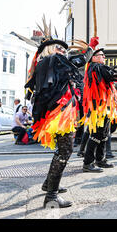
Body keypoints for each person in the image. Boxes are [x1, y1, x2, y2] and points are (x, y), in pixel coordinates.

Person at [25, 24, 96, 208]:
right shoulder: (54, 60)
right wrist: (90, 50)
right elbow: (78, 62)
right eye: (59, 47)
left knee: (61, 150)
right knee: (64, 151)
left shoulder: (46, 64)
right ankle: (51, 196)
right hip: (59, 113)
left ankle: (49, 184)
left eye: (64, 49)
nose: (63, 51)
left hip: (56, 112)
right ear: (49, 49)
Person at [81, 47, 117, 173]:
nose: (104, 57)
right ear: (94, 57)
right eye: (102, 55)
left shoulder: (95, 68)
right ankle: (88, 162)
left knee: (103, 134)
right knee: (96, 135)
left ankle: (100, 159)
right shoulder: (97, 67)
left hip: (103, 106)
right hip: (99, 108)